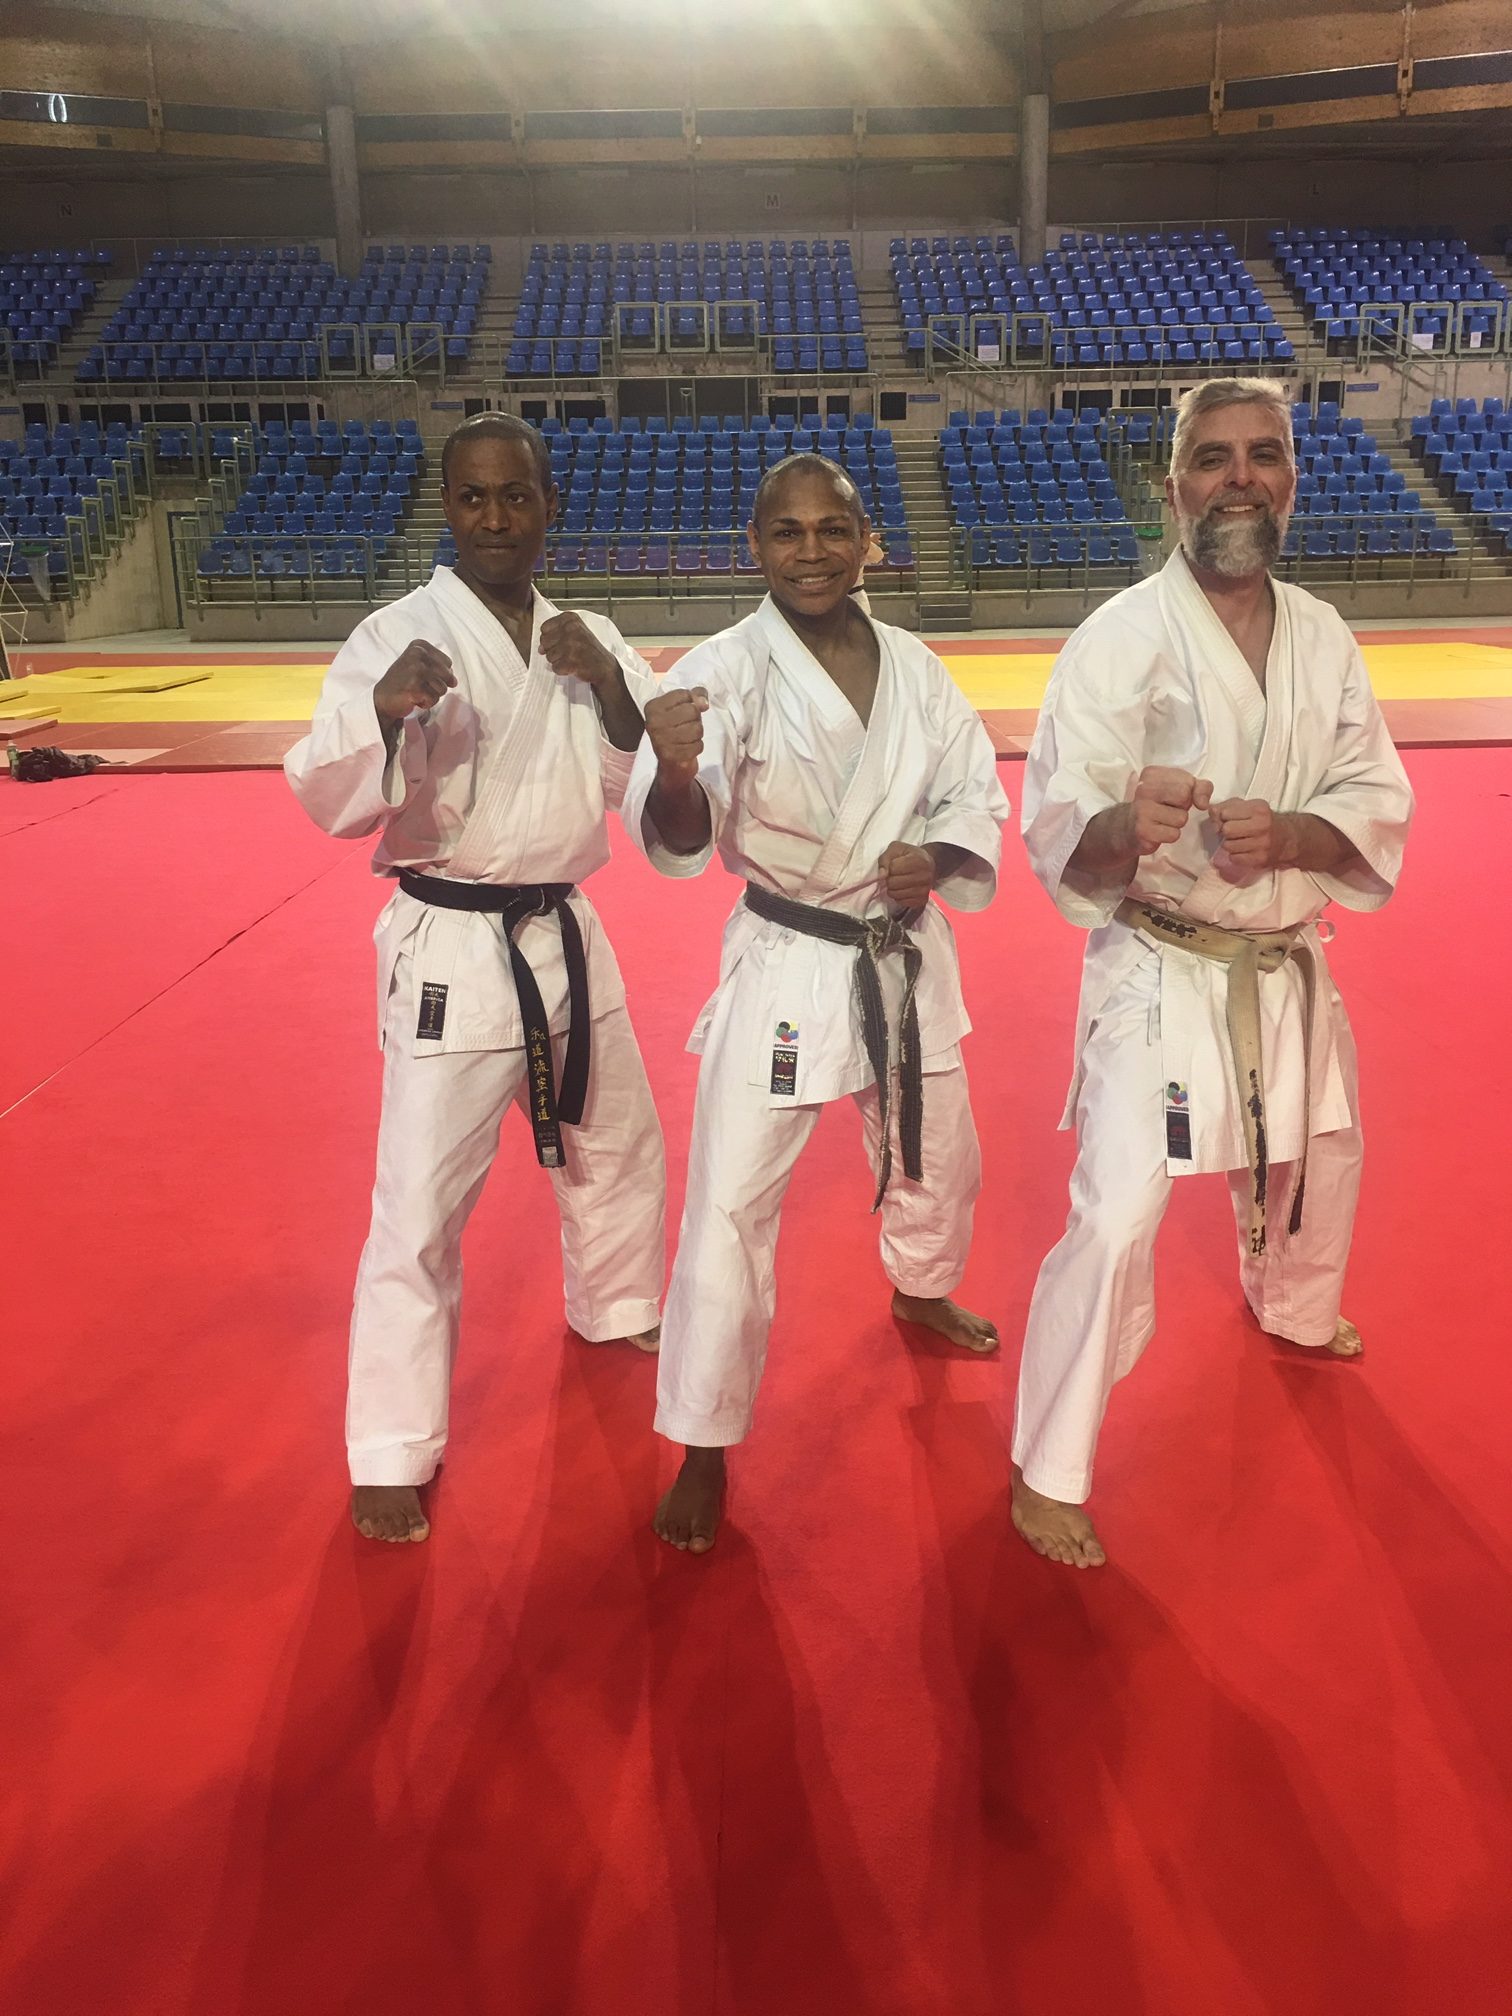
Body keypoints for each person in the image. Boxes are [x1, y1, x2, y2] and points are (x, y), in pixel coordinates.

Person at [1011, 377, 1414, 1569]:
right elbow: (1061, 827)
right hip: (1165, 964)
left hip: (1288, 962)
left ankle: (1292, 1300)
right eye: (1212, 458)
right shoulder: (1119, 639)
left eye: (1263, 455)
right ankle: (1048, 1464)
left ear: (1293, 479)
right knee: (1118, 1211)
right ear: (1171, 485)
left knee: (1322, 1152)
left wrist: (1292, 836)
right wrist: (1121, 825)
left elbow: (1373, 796)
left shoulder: (1326, 635)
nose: (1240, 478)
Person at [285, 414, 666, 1545]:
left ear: (551, 505)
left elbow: (640, 789)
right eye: (472, 498)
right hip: (453, 942)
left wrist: (613, 687)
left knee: (618, 1142)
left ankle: (618, 1301)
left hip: (567, 931)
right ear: (445, 507)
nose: (495, 518)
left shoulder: (587, 634)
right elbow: (330, 800)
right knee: (418, 1204)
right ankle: (391, 1443)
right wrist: (382, 712)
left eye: (516, 496)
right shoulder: (394, 635)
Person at [624, 452, 1010, 1555]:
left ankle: (920, 1286)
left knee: (941, 1157)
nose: (811, 552)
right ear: (754, 546)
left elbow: (972, 794)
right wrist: (678, 774)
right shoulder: (724, 669)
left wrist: (935, 858)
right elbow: (683, 833)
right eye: (786, 533)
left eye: (832, 530)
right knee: (730, 1203)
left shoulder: (918, 668)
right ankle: (704, 1438)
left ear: (867, 540)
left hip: (903, 952)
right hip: (789, 959)